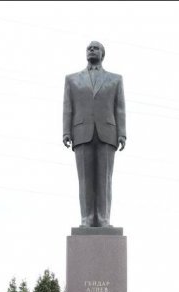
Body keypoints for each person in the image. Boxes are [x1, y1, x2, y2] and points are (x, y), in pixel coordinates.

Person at [63, 40, 126, 227]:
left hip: (108, 133)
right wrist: (66, 131)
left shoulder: (115, 80)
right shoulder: (72, 80)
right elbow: (68, 107)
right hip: (81, 132)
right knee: (85, 179)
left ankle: (103, 217)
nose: (91, 50)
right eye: (89, 48)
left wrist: (122, 133)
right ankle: (87, 218)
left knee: (105, 179)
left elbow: (120, 108)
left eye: (95, 48)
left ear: (102, 54)